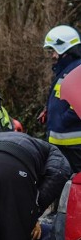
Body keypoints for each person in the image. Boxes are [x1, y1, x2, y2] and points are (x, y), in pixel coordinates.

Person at [43, 25, 81, 172]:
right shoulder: (66, 69)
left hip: (74, 147)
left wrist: (63, 119)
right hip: (63, 145)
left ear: (64, 49)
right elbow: (62, 97)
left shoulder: (78, 69)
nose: (52, 56)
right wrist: (50, 111)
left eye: (53, 51)